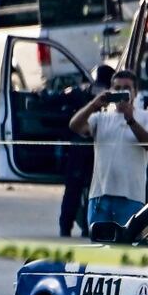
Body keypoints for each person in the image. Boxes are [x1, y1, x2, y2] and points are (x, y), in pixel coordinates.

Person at [68, 69, 148, 230]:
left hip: (131, 198)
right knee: (99, 250)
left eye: (126, 88)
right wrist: (93, 105)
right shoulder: (101, 118)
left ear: (135, 92)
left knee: (126, 250)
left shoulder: (146, 117)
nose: (121, 92)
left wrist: (131, 120)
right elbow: (75, 126)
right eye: (117, 88)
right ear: (110, 91)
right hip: (100, 198)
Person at [58, 64, 113, 237]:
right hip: (89, 147)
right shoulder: (106, 97)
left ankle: (72, 227)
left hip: (87, 147)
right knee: (84, 189)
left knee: (79, 189)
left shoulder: (87, 92)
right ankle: (78, 227)